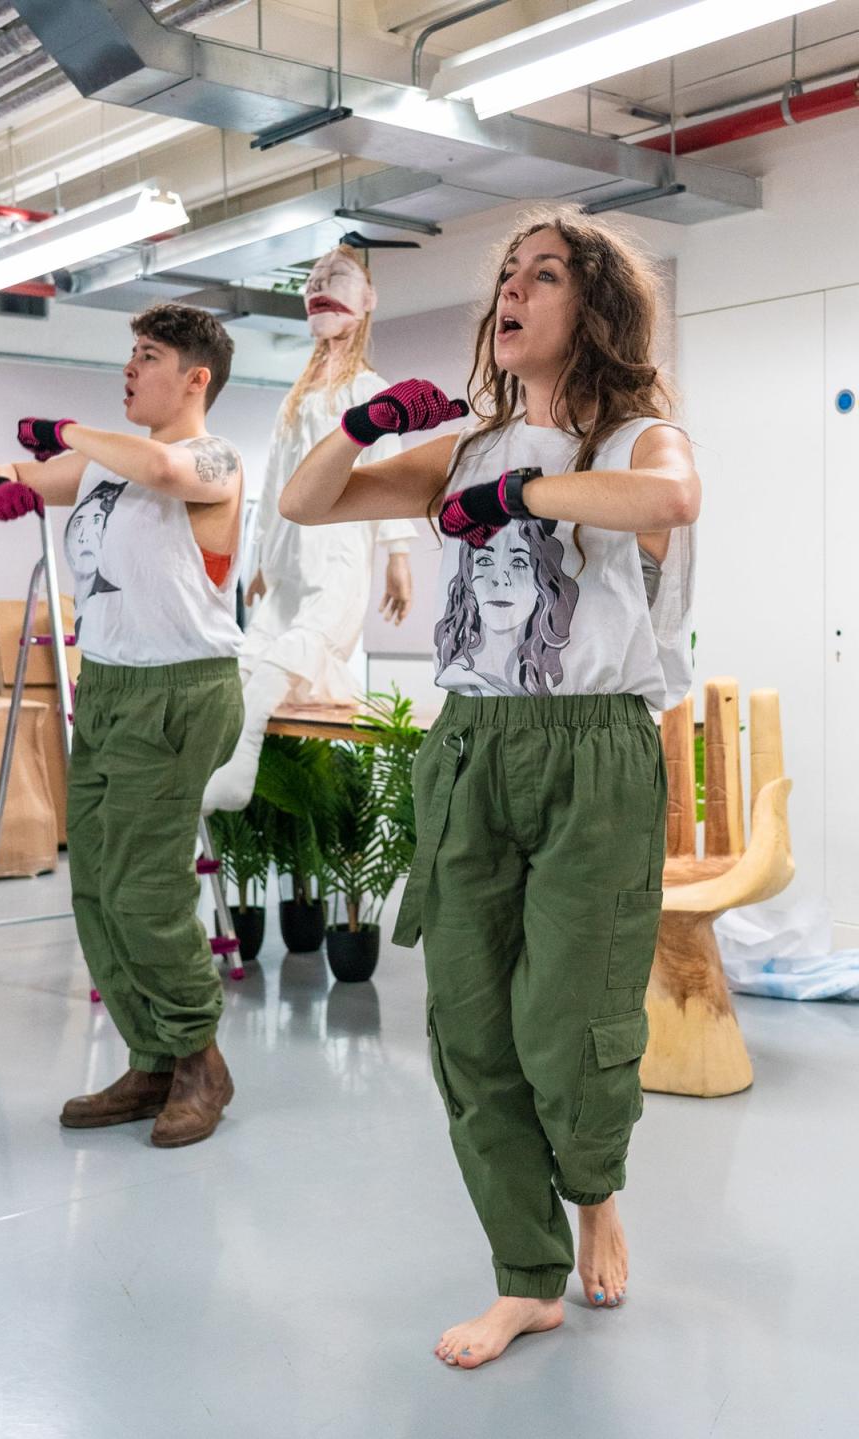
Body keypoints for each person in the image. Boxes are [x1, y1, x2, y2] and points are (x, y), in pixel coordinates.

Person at [279, 204, 699, 1367]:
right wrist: (364, 421)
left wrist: (519, 498)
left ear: (595, 308)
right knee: (468, 1023)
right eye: (507, 274)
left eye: (544, 274)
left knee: (570, 1021)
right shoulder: (466, 443)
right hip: (471, 744)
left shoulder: (633, 437)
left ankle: (596, 1186)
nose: (511, 291)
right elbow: (310, 503)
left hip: (593, 744)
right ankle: (527, 1274)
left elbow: (667, 504)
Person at [0, 303, 245, 1148]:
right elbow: (26, 473)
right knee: (94, 882)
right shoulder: (102, 469)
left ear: (195, 377)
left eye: (148, 355)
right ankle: (153, 1057)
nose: (129, 368)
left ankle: (200, 1057)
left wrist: (71, 430)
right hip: (110, 687)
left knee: (146, 883)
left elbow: (166, 472)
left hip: (181, 690)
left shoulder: (215, 457)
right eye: (128, 353)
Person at [201, 243, 416, 814]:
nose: (321, 282)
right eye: (314, 276)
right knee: (255, 653)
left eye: (338, 275)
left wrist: (397, 553)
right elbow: (273, 482)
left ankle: (241, 761)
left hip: (341, 547)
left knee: (301, 646)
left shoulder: (372, 391)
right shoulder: (293, 402)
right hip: (289, 552)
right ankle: (222, 763)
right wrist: (257, 561)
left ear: (368, 298)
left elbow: (389, 469)